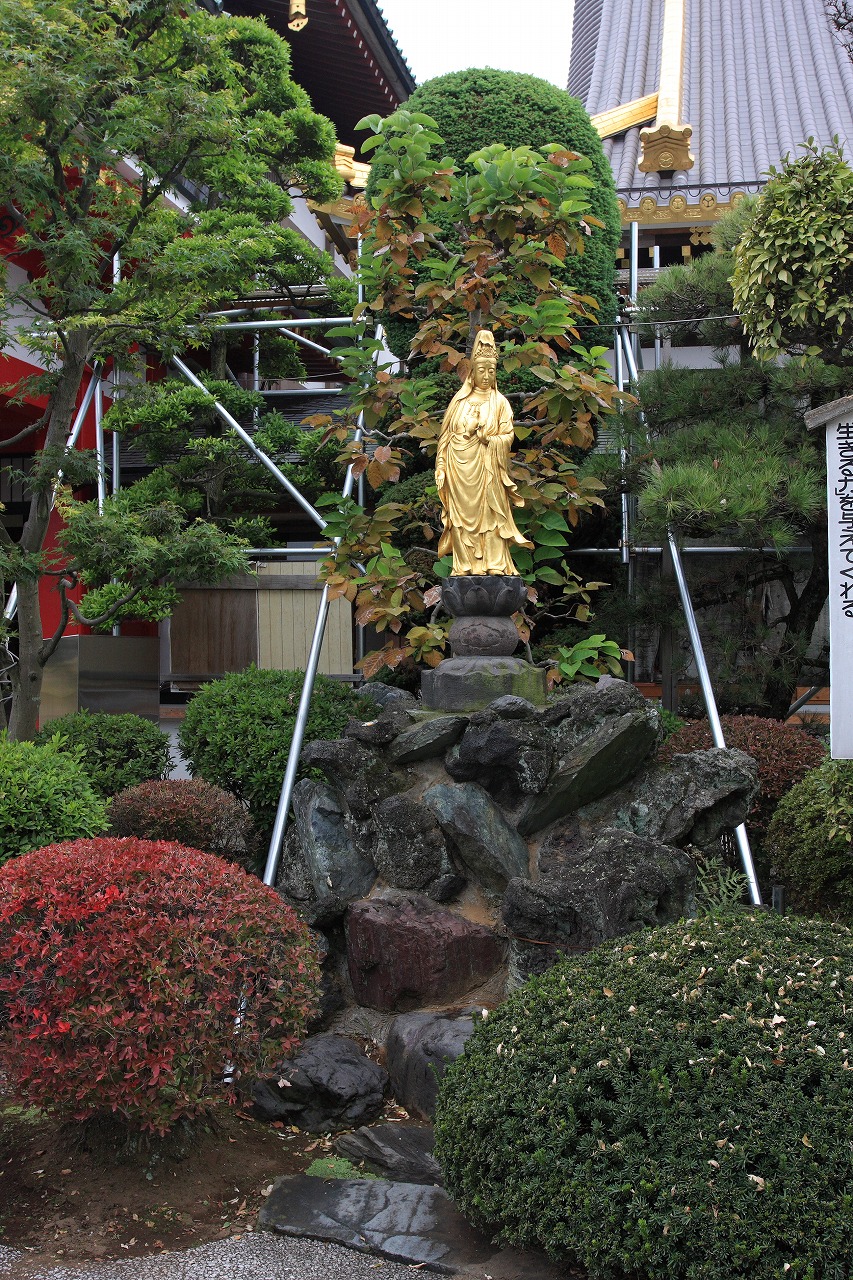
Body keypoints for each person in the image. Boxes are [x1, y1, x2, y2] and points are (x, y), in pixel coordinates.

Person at [435, 329, 533, 576]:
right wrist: (440, 466)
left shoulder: (499, 402)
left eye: (491, 371)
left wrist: (487, 438)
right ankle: (464, 564)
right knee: (460, 519)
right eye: (482, 371)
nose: (487, 376)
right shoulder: (459, 401)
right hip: (458, 468)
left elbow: (508, 436)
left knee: (490, 517)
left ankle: (494, 563)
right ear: (472, 373)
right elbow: (445, 438)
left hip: (487, 468)